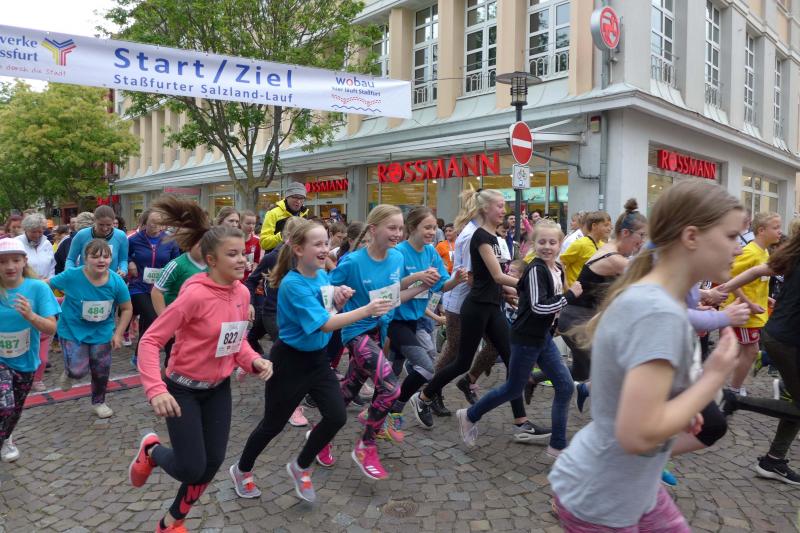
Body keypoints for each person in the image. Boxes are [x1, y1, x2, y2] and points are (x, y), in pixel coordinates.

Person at [549, 180, 742, 531]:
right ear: (691, 236)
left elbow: (631, 398)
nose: (738, 247)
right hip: (603, 498)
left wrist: (675, 411)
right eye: (730, 236)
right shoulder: (658, 312)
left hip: (629, 489)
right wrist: (713, 377)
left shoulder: (654, 299)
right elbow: (636, 434)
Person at [128, 197, 273, 533]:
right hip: (183, 390)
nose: (242, 260)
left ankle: (171, 523)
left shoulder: (242, 294)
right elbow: (150, 341)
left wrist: (254, 360)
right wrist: (156, 390)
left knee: (212, 463)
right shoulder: (194, 295)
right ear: (211, 260)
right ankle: (151, 450)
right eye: (232, 254)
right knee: (191, 467)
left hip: (218, 388)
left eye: (243, 253)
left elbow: (236, 343)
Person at [232, 220, 395, 502]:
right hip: (290, 362)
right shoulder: (293, 284)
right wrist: (366, 310)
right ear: (298, 249)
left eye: (326, 243)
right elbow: (324, 324)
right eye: (318, 244)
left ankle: (301, 466)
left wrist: (338, 301)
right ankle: (242, 469)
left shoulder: (322, 276)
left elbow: (327, 311)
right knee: (273, 425)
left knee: (336, 416)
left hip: (317, 360)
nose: (325, 249)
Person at [413, 190, 546, 441]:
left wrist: (511, 293)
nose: (504, 210)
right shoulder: (480, 236)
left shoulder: (494, 237)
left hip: (491, 306)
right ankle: (424, 396)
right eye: (499, 206)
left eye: (504, 206)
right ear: (485, 208)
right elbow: (496, 275)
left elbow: (495, 279)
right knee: (461, 362)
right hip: (475, 307)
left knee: (511, 358)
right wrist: (530, 283)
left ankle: (521, 422)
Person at [457, 220, 581, 461]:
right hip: (526, 339)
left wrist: (555, 324)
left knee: (565, 386)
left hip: (542, 337)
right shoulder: (536, 269)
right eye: (542, 242)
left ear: (560, 244)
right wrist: (569, 296)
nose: (547, 247)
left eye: (552, 242)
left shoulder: (557, 268)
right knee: (513, 388)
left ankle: (557, 446)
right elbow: (538, 306)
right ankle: (470, 415)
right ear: (533, 244)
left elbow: (541, 300)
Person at [324, 205, 428, 480]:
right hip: (355, 332)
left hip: (378, 333)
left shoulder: (396, 258)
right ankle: (365, 445)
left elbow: (392, 296)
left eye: (400, 228)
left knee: (348, 391)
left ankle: (319, 437)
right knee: (391, 388)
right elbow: (325, 292)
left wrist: (420, 286)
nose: (398, 233)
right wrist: (338, 293)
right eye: (391, 228)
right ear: (373, 229)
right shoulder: (352, 262)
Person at [716, 226, 800, 484]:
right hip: (787, 341)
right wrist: (719, 292)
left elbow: (755, 272)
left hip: (778, 335)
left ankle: (774, 460)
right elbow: (751, 270)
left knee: (797, 404)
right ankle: (735, 400)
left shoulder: (795, 252)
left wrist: (720, 290)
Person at [550, 200, 647, 409]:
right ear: (626, 233)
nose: (643, 241)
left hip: (587, 318)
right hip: (576, 319)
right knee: (607, 368)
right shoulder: (614, 259)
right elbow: (650, 280)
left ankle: (536, 380)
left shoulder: (609, 249)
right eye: (641, 235)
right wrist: (704, 293)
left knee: (581, 371)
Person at [387, 208, 465, 432]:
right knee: (426, 367)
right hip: (395, 320)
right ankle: (395, 408)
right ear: (412, 228)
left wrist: (457, 280)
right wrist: (417, 278)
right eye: (427, 227)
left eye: (434, 228)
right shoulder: (398, 253)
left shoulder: (430, 252)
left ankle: (380, 414)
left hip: (416, 319)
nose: (432, 232)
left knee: (391, 374)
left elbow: (442, 285)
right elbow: (388, 290)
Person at [49, 239, 133, 418]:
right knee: (78, 370)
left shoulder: (116, 281)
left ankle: (99, 402)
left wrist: (118, 334)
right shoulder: (72, 275)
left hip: (102, 332)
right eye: (95, 257)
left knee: (101, 370)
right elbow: (47, 284)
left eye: (106, 257)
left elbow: (127, 308)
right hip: (72, 330)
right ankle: (70, 372)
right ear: (85, 258)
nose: (101, 260)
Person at [0, 238, 59, 464]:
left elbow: (51, 327)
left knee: (14, 410)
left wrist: (31, 316)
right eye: (3, 262)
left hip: (25, 361)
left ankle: (6, 437)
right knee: (4, 406)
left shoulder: (38, 288)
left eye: (15, 260)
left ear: (24, 261)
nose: (10, 266)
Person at [723, 211, 782, 395]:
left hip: (753, 313)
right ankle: (734, 388)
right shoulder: (750, 252)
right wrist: (749, 303)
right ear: (761, 230)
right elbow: (731, 278)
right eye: (776, 227)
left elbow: (756, 283)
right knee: (749, 351)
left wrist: (766, 299)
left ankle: (731, 385)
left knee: (741, 351)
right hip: (743, 312)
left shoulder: (764, 251)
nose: (780, 231)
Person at [127, 209, 181, 368]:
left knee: (147, 322)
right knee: (153, 317)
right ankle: (146, 356)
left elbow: (176, 263)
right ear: (144, 223)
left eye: (159, 223)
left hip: (160, 289)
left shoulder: (170, 241)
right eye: (152, 223)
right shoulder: (134, 240)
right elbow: (124, 256)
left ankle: (139, 356)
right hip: (139, 287)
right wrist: (130, 262)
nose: (156, 226)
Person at [16, 213, 57, 392]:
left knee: (44, 330)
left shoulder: (46, 243)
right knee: (27, 330)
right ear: (26, 230)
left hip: (44, 289)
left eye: (41, 231)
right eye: (34, 232)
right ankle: (23, 370)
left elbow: (52, 265)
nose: (38, 235)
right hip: (25, 290)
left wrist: (49, 280)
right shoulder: (17, 243)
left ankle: (38, 375)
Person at [65, 205, 129, 276]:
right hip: (85, 279)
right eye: (101, 225)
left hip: (110, 280)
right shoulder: (82, 235)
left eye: (109, 225)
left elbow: (123, 260)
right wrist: (70, 272)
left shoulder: (120, 236)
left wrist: (123, 270)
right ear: (94, 221)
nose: (105, 228)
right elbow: (70, 259)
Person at [559, 210, 612, 287]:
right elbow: (561, 262)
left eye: (610, 226)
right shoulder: (580, 244)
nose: (609, 228)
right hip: (576, 291)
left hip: (592, 290)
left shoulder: (603, 245)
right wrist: (566, 285)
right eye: (606, 225)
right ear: (594, 226)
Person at [260, 181, 309, 251]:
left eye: (301, 198)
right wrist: (283, 235)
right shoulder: (273, 213)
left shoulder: (304, 214)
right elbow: (264, 243)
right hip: (276, 256)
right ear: (287, 197)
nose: (298, 201)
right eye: (295, 197)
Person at [240, 210, 262, 281]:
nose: (251, 226)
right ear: (240, 223)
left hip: (249, 279)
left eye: (253, 224)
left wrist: (253, 273)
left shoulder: (257, 240)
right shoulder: (234, 240)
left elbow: (256, 260)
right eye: (248, 223)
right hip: (236, 278)